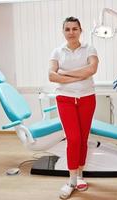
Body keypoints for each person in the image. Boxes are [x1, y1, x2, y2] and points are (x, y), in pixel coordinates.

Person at [48, 16, 98, 199]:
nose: (71, 32)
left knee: (83, 139)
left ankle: (80, 176)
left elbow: (92, 70)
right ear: (63, 32)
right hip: (65, 99)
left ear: (80, 30)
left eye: (74, 29)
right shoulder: (57, 52)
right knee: (74, 139)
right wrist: (80, 75)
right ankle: (71, 181)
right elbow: (52, 76)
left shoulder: (89, 49)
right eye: (67, 29)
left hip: (87, 98)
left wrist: (66, 73)